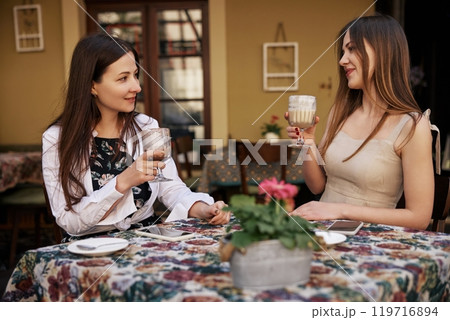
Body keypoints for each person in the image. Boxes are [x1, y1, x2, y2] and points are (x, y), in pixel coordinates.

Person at [42, 33, 230, 240]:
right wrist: (122, 182)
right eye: (123, 78)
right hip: (89, 248)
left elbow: (171, 188)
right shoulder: (56, 139)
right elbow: (69, 220)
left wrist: (204, 209)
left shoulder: (147, 126)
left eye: (135, 75)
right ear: (92, 85)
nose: (137, 87)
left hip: (148, 239)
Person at [285, 14, 434, 230]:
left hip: (368, 238)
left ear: (383, 52)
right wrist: (306, 143)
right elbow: (317, 186)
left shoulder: (412, 126)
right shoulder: (341, 111)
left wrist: (339, 210)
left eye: (352, 49)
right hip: (322, 229)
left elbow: (418, 218)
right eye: (343, 51)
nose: (342, 60)